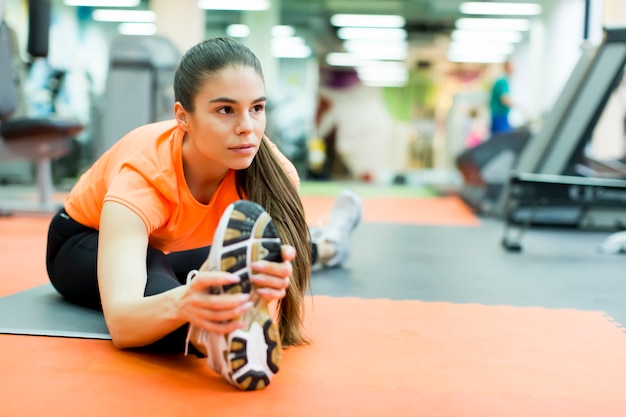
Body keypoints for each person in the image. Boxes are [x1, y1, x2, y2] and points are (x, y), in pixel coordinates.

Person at [45, 37, 362, 391]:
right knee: (161, 284)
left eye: (256, 108)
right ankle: (208, 336)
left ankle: (329, 241)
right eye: (225, 110)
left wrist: (268, 278)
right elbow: (123, 324)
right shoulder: (143, 176)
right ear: (183, 116)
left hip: (172, 244)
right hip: (82, 241)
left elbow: (273, 276)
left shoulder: (275, 173)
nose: (247, 127)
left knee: (271, 250)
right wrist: (190, 298)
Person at [489, 60, 514, 136]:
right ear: (507, 67)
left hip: (498, 114)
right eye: (512, 67)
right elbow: (504, 98)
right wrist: (517, 105)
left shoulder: (501, 80)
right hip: (500, 115)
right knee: (501, 138)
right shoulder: (503, 81)